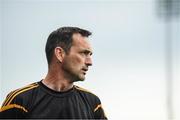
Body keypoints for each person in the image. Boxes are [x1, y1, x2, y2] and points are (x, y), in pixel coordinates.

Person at [0, 27, 107, 119]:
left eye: (90, 55)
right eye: (84, 53)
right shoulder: (19, 102)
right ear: (60, 54)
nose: (90, 62)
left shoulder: (93, 103)